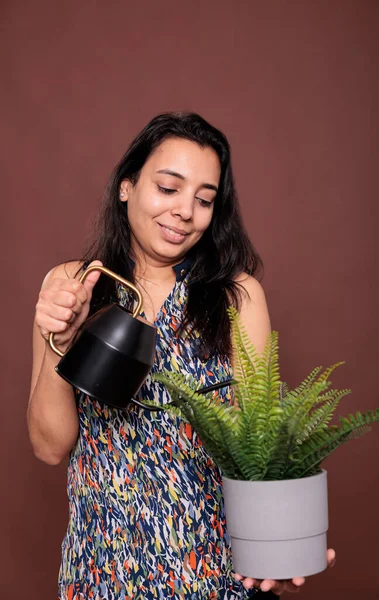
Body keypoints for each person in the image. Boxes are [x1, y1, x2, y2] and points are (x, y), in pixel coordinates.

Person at [28, 112, 335, 599]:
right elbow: (49, 446)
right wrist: (59, 343)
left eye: (204, 199)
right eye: (169, 188)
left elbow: (262, 448)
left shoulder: (238, 297)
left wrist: (285, 540)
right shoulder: (72, 284)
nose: (185, 212)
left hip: (214, 574)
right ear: (127, 186)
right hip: (103, 571)